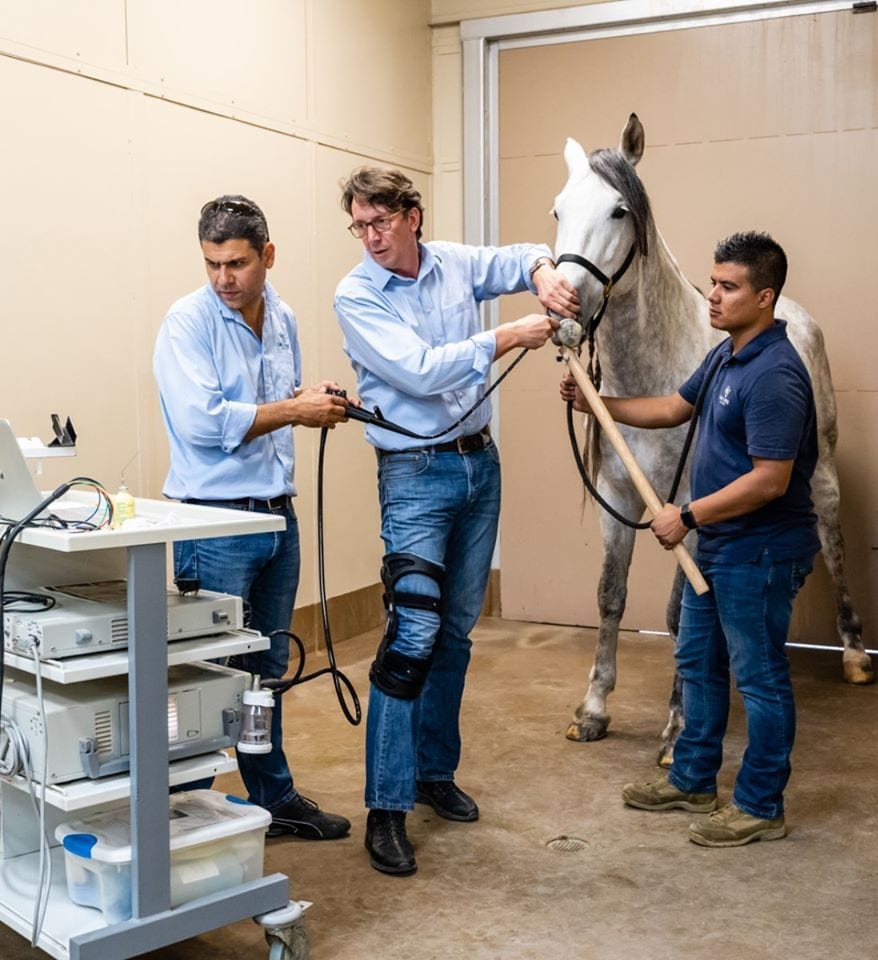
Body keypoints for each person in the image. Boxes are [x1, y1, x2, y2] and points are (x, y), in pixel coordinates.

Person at [334, 166, 578, 875]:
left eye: (381, 222)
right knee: (412, 634)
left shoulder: (450, 264)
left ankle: (432, 774)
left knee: (456, 634)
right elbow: (419, 370)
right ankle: (386, 807)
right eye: (359, 225)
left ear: (413, 216)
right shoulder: (356, 294)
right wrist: (510, 336)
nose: (371, 237)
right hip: (413, 474)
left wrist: (542, 270)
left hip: (478, 465)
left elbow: (516, 253)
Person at [561, 231, 820, 847]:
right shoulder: (725, 356)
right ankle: (693, 778)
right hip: (718, 548)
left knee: (759, 678)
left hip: (759, 551)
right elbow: (673, 409)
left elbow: (770, 480)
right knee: (698, 663)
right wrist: (599, 402)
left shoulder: (776, 375)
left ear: (766, 298)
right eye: (712, 281)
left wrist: (689, 515)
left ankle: (760, 804)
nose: (713, 295)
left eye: (728, 287)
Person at [154, 194, 352, 841]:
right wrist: (295, 411)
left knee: (265, 673)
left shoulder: (285, 317)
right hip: (213, 525)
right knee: (205, 679)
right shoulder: (187, 322)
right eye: (212, 263)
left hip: (275, 519)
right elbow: (205, 426)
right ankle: (182, 815)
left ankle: (275, 797)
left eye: (236, 263)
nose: (223, 278)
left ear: (267, 256)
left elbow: (271, 404)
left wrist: (306, 400)